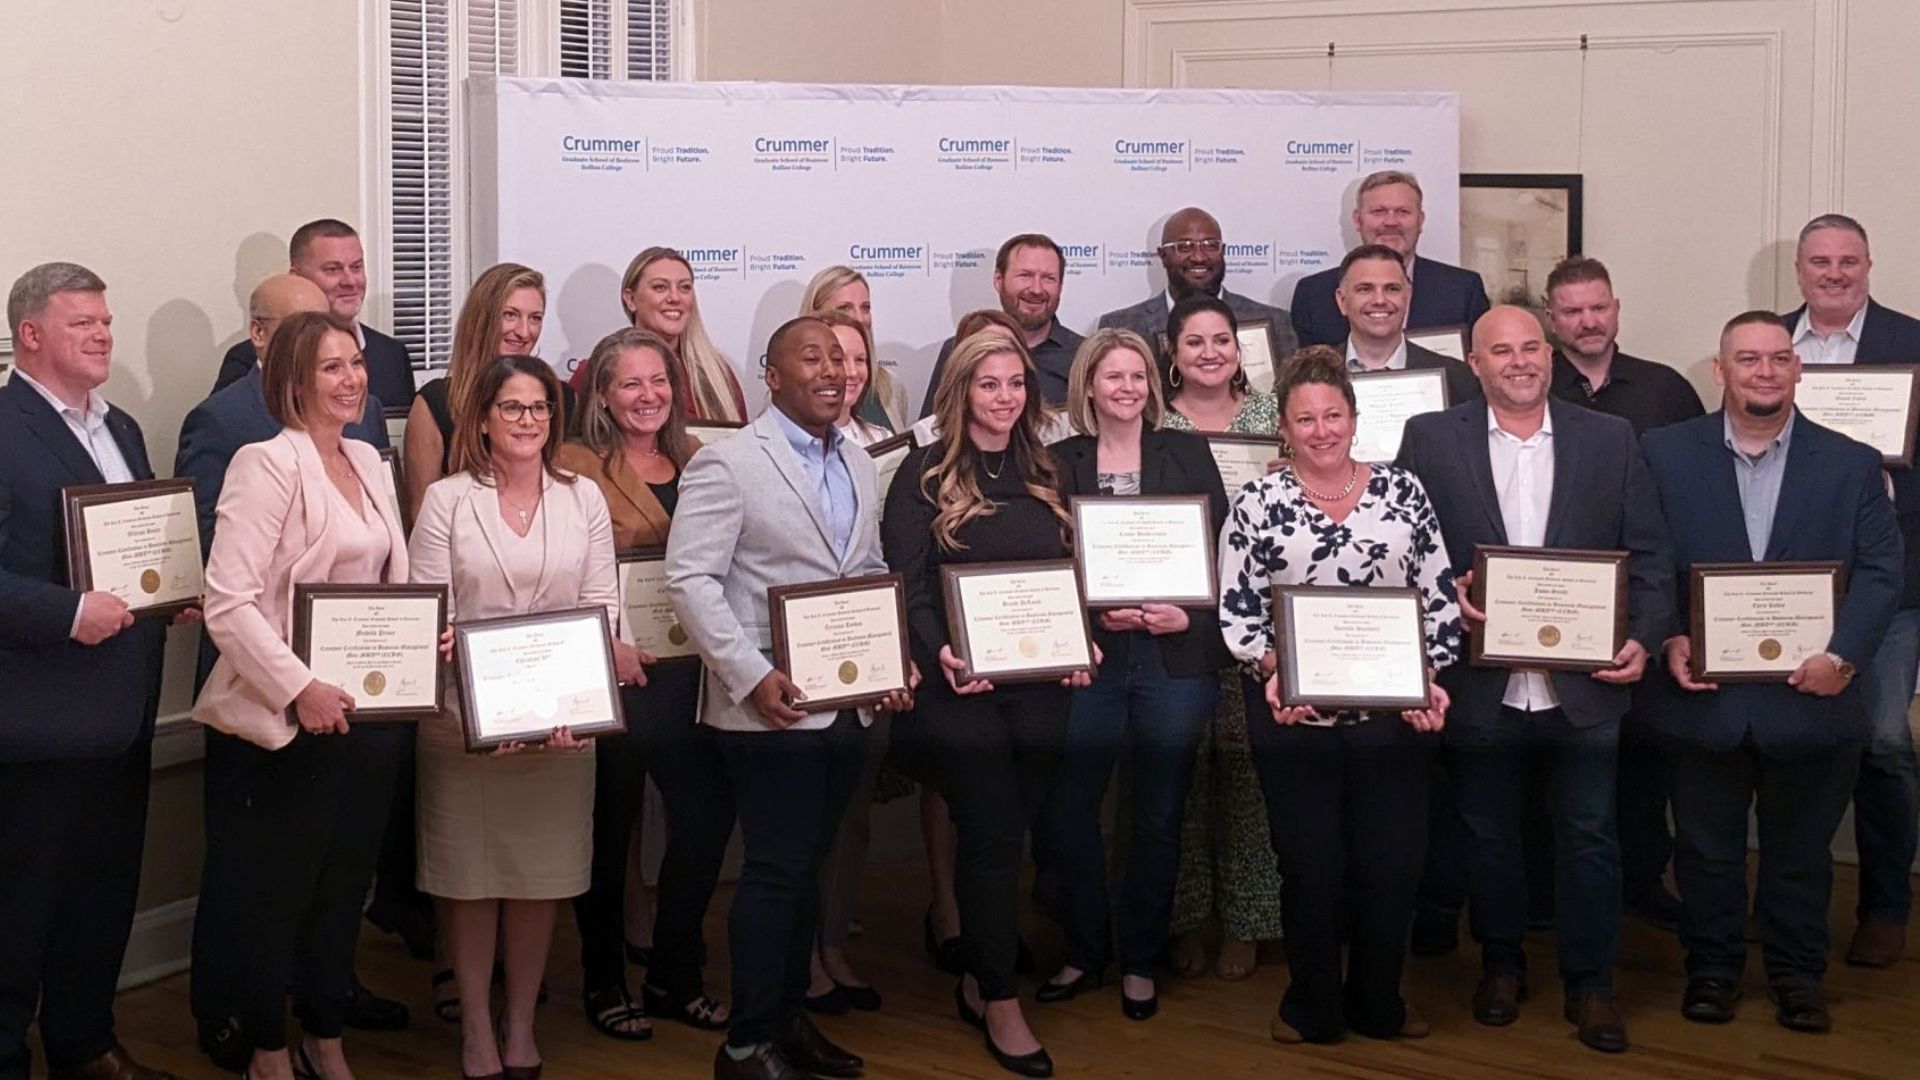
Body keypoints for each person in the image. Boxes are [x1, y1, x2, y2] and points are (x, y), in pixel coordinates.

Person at [1393, 306, 1675, 1054]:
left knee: (1590, 838)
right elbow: (1404, 552)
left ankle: (1591, 985)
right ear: (1474, 364)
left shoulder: (1608, 439)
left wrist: (1644, 638)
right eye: (1501, 351)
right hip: (1483, 683)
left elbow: (1649, 555)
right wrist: (1440, 592)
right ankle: (1502, 964)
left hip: (1588, 686)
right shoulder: (1430, 438)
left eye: (1531, 348)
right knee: (1488, 835)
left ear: (1548, 357)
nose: (1520, 361)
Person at [665, 316, 913, 1080]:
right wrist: (749, 674)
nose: (833, 370)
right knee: (774, 872)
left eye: (840, 358)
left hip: (848, 700)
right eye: (812, 358)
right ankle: (744, 1045)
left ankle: (788, 1025)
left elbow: (864, 564)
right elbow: (690, 579)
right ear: (771, 376)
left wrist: (889, 658)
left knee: (808, 868)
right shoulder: (729, 463)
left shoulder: (860, 458)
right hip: (768, 706)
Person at [1645, 310, 1902, 1033]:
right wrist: (1668, 636)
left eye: (1778, 359)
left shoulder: (1853, 461)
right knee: (1705, 853)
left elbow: (1883, 572)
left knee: (1799, 857)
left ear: (1797, 370)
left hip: (1813, 696)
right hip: (1704, 697)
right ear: (1719, 371)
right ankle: (1714, 970)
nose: (1765, 372)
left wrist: (1844, 657)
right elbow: (1647, 559)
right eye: (1748, 360)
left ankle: (1797, 975)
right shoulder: (1662, 454)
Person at [178, 279, 407, 1073]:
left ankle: (324, 1033)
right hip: (286, 722)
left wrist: (425, 639)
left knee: (344, 889)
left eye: (356, 364)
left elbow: (388, 586)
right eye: (331, 367)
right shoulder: (263, 463)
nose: (351, 379)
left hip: (367, 715)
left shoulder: (372, 461)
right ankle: (269, 1046)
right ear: (293, 379)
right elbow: (227, 601)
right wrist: (299, 687)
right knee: (278, 895)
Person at [1219, 345, 1460, 1044]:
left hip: (1393, 718)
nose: (1321, 430)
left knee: (1390, 867)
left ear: (1354, 419)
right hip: (1294, 718)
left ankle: (1380, 1001)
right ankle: (1312, 1004)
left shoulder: (1403, 492)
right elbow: (1238, 613)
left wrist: (1430, 682)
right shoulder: (1257, 501)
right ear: (1284, 429)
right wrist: (1274, 671)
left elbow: (1439, 599)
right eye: (1305, 419)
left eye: (1333, 415)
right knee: (1310, 868)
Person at [409, 355, 631, 1080]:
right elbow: (428, 606)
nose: (527, 420)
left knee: (540, 881)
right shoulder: (447, 500)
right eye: (511, 407)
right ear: (480, 419)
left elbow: (602, 605)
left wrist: (570, 701)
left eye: (538, 408)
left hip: (564, 723)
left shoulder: (583, 499)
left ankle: (520, 1024)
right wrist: (485, 703)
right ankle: (476, 1027)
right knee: (471, 883)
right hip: (463, 723)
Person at [885, 333, 1096, 1078]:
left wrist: (1084, 640)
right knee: (992, 831)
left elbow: (1076, 570)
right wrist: (939, 648)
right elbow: (908, 583)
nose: (1004, 397)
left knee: (1016, 827)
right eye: (989, 385)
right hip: (959, 688)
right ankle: (1001, 999)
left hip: (1041, 686)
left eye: (1014, 384)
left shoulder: (1048, 467)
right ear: (962, 392)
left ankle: (979, 973)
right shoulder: (924, 472)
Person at [0, 263, 176, 1080]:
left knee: (102, 893)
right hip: (36, 719)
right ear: (30, 336)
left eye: (107, 320)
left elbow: (138, 548)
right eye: (84, 324)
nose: (105, 334)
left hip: (123, 707)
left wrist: (167, 593)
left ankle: (85, 1041)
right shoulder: (3, 428)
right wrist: (69, 613)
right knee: (19, 908)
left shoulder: (125, 429)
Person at [1036, 329, 1229, 1022]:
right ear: (1088, 385)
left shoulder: (1187, 451)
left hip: (1173, 660)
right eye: (1111, 377)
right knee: (1069, 813)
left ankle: (1139, 957)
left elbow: (1221, 554)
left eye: (1137, 377)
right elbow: (1045, 561)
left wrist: (1189, 616)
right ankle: (1086, 947)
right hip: (1092, 659)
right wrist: (1085, 622)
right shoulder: (1059, 462)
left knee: (1158, 815)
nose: (1126, 388)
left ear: (1152, 385)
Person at [557, 328, 735, 1040]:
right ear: (602, 393)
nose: (647, 396)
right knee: (609, 831)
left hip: (694, 674)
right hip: (616, 674)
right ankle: (603, 982)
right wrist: (609, 641)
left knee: (706, 818)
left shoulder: (701, 459)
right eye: (629, 383)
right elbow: (560, 566)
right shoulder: (574, 465)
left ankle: (672, 972)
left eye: (658, 381)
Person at [1542, 255, 1703, 935]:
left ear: (1616, 308)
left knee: (1646, 757)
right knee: (1556, 763)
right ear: (1553, 321)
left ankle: (1643, 879)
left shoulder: (1666, 391)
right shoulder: (1531, 389)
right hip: (1557, 611)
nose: (1587, 321)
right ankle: (1547, 896)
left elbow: (1698, 491)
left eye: (1597, 307)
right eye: (1572, 311)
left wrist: (1669, 616)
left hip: (1649, 601)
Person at [1780, 214, 1920, 969]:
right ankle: (1782, 901)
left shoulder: (1913, 344)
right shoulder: (1768, 344)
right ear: (1799, 271)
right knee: (1784, 736)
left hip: (1890, 579)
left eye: (1848, 261)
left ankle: (1886, 903)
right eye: (1820, 262)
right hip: (1785, 582)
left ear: (1869, 265)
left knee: (1886, 741)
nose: (1834, 274)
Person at [1157, 292, 1285, 981]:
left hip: (1257, 615)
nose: (1210, 352)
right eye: (1194, 342)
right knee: (1183, 775)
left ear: (1240, 348)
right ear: (1172, 356)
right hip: (1176, 618)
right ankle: (1183, 921)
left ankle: (1250, 920)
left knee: (1246, 773)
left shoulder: (1271, 416)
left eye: (1221, 340)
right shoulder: (1156, 422)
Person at [213, 218, 417, 408]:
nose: (350, 281)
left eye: (356, 267)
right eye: (333, 270)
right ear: (297, 277)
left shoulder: (392, 355)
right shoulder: (250, 358)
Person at [404, 263, 547, 516]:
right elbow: (421, 517)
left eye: (535, 318)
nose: (524, 332)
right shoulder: (436, 403)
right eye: (510, 315)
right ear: (482, 319)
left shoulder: (559, 399)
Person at [1290, 171, 1492, 348]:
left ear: (1420, 220)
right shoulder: (1312, 295)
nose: (1391, 222)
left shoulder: (1463, 290)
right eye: (1379, 212)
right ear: (1358, 220)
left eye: (1403, 212)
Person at [1098, 208, 1295, 363]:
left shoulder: (1275, 323)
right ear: (1163, 256)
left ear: (1223, 251)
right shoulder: (1121, 326)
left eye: (1210, 245)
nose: (1199, 257)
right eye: (1184, 247)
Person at [921, 234, 1086, 414]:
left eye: (1048, 278)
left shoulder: (1084, 356)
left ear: (1060, 286)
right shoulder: (959, 349)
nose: (1036, 289)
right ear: (999, 280)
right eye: (1025, 275)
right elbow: (932, 433)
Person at [1333, 244, 1480, 402]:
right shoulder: (1308, 375)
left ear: (1408, 297)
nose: (1379, 300)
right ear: (1342, 301)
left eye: (1392, 289)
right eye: (1365, 289)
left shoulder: (1457, 378)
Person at [618, 247, 749, 422]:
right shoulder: (603, 367)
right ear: (631, 299)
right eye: (660, 287)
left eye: (684, 288)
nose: (675, 297)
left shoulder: (717, 373)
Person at [801, 265, 909, 429]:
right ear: (816, 315)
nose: (859, 318)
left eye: (865, 308)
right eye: (844, 308)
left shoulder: (891, 386)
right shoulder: (790, 394)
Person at [817, 309, 894, 446]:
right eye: (839, 359)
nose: (853, 372)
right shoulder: (780, 443)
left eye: (860, 360)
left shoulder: (882, 439)